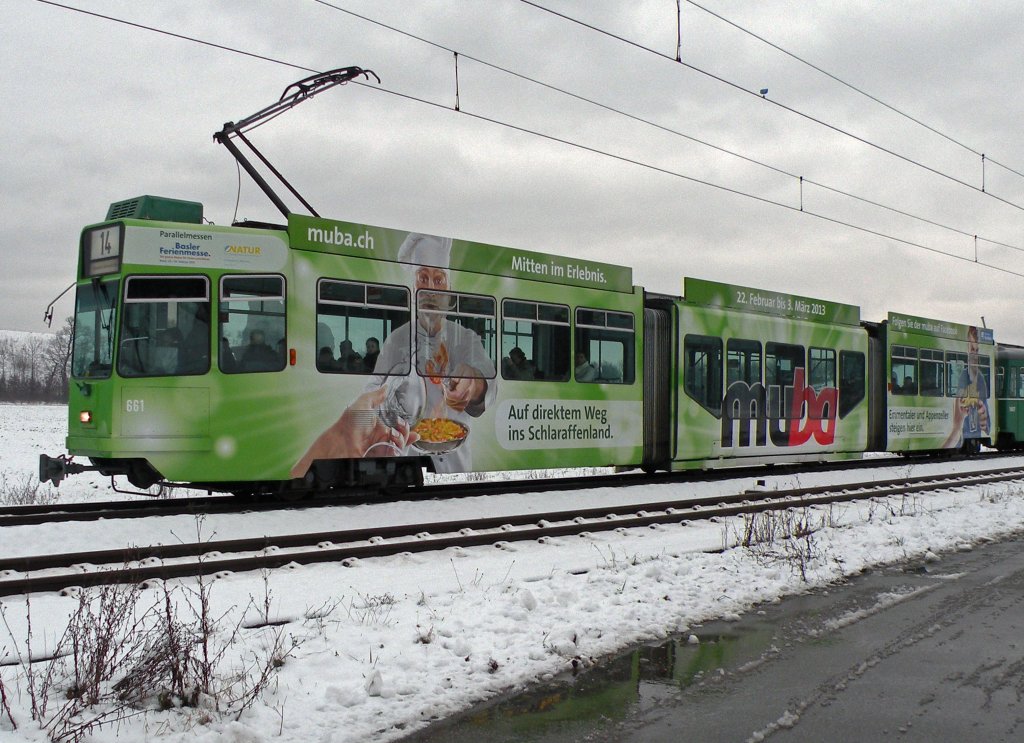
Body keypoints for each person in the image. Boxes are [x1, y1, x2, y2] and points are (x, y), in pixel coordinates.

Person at [292, 232, 496, 476]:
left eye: (439, 280)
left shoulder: (465, 338)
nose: (430, 289)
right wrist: (366, 416)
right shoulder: (397, 339)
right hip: (405, 454)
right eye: (423, 278)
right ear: (413, 287)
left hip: (455, 460)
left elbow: (488, 378)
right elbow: (373, 387)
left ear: (449, 291)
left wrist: (474, 384)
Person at [943, 326, 990, 448]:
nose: (974, 354)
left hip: (973, 433)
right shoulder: (963, 377)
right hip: (963, 434)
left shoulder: (981, 380)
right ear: (967, 350)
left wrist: (985, 423)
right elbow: (960, 405)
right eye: (972, 349)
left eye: (976, 350)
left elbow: (987, 423)